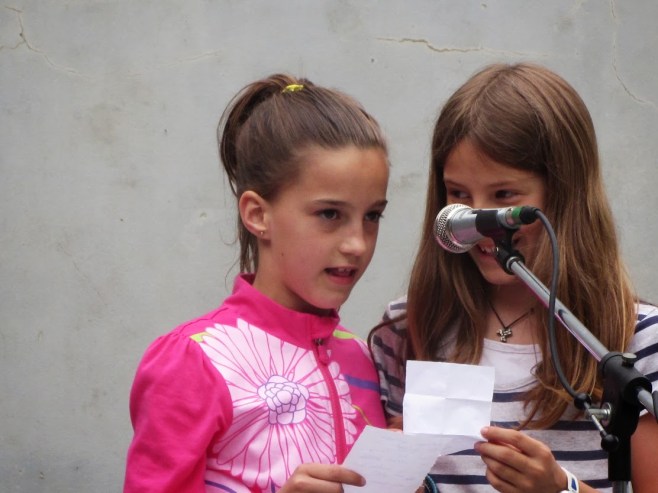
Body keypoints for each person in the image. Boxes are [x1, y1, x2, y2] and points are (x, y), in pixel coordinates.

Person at [369, 62, 658, 493]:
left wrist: (560, 488)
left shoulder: (637, 341)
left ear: (564, 196)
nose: (479, 223)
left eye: (504, 196)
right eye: (458, 195)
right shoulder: (407, 327)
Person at [124, 73, 390, 493]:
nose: (357, 243)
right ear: (257, 214)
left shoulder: (359, 354)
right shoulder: (193, 360)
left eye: (372, 216)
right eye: (330, 214)